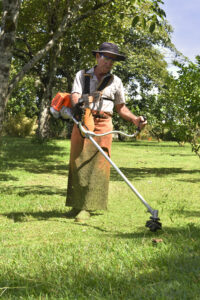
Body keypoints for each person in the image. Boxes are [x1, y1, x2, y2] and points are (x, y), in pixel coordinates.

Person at [66, 42, 147, 222]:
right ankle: (76, 204)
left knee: (98, 163)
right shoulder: (82, 75)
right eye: (107, 58)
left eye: (113, 60)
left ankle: (87, 206)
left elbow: (121, 108)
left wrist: (135, 119)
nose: (109, 62)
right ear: (97, 57)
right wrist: (80, 104)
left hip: (104, 122)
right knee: (77, 161)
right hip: (83, 119)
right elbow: (74, 96)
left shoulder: (116, 81)